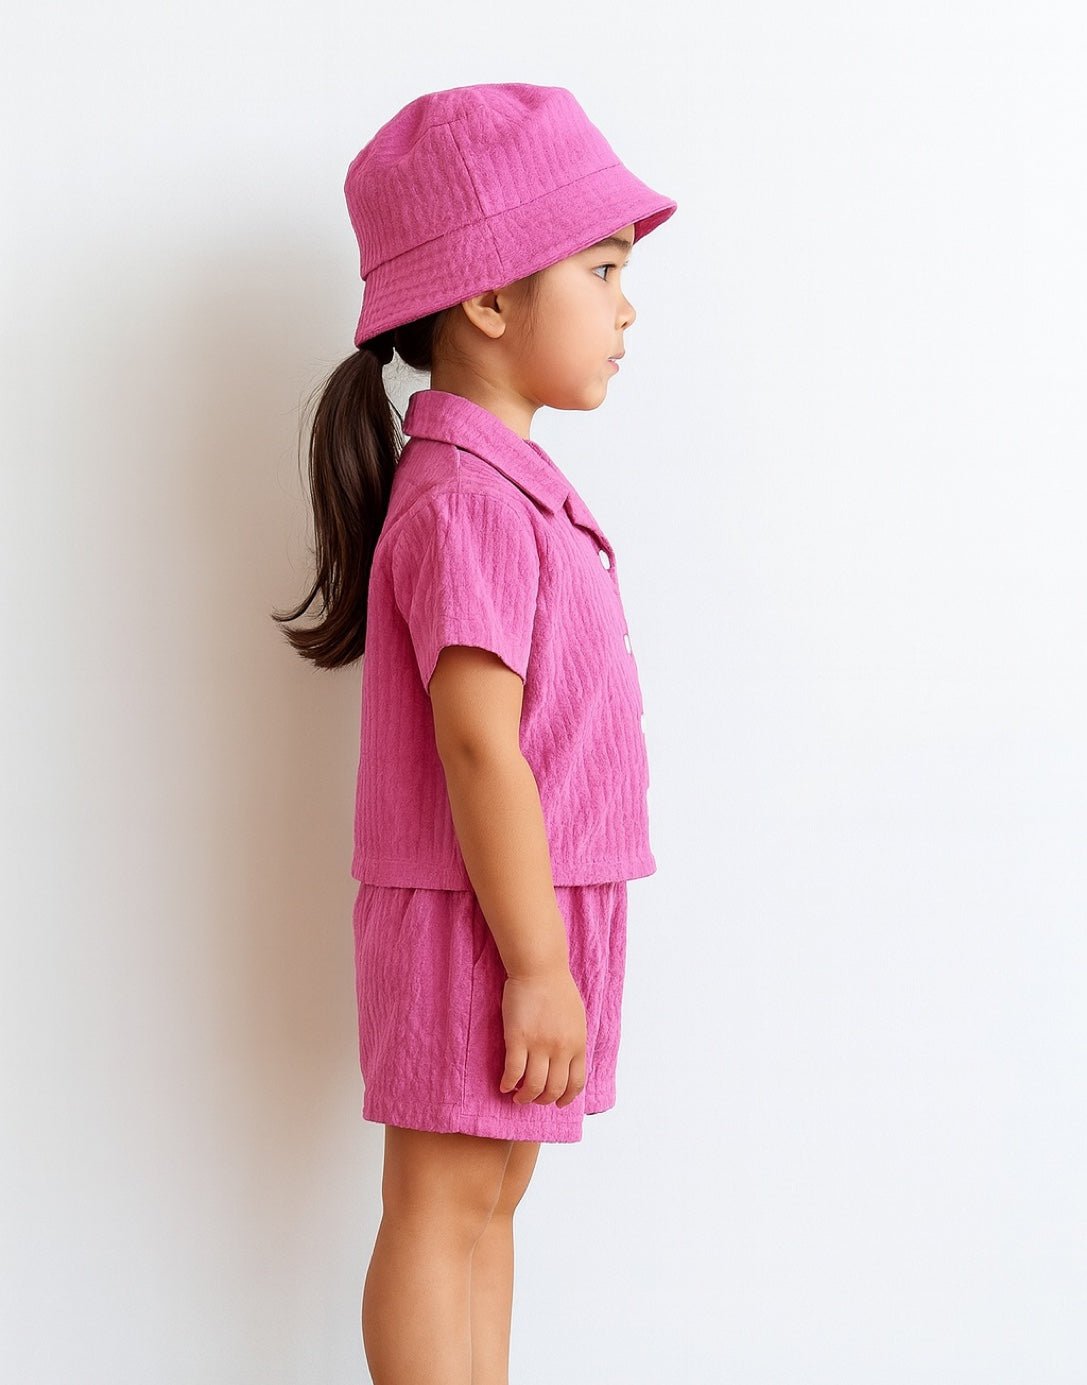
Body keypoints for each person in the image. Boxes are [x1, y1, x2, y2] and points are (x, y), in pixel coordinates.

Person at [277, 82, 675, 1385]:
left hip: (521, 906)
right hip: (484, 916)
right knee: (443, 1204)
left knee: (491, 1201)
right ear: (490, 303)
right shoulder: (464, 503)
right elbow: (478, 748)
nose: (627, 307)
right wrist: (538, 961)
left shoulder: (510, 490)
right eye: (604, 268)